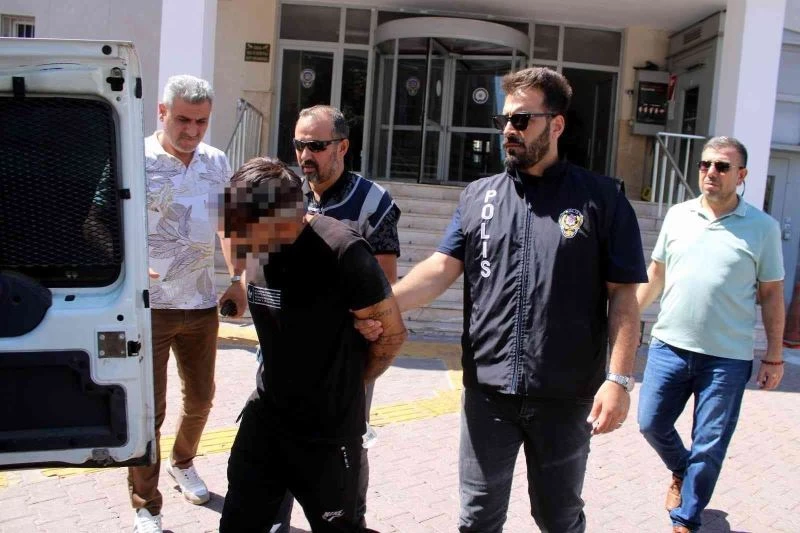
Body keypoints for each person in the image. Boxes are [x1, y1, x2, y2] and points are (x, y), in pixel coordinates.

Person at [358, 66, 647, 532]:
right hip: (487, 392)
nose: (509, 130)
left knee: (557, 517)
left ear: (556, 124)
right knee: (477, 518)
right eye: (504, 120)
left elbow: (624, 298)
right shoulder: (479, 196)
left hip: (566, 394)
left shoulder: (602, 199)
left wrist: (618, 379)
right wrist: (379, 304)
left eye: (522, 119)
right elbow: (440, 269)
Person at [217, 157, 407, 532]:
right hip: (266, 418)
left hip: (328, 434)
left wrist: (348, 380)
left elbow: (392, 334)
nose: (246, 242)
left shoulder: (342, 250)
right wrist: (237, 280)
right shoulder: (251, 237)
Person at [636, 136, 785, 533]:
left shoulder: (763, 228)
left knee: (710, 442)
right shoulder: (677, 216)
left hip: (726, 359)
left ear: (742, 175)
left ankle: (686, 518)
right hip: (668, 347)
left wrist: (774, 355)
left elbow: (772, 295)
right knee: (650, 423)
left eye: (722, 166)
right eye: (705, 165)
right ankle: (681, 468)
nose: (710, 172)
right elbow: (656, 275)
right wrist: (625, 320)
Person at [270, 104, 401, 532]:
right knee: (276, 436)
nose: (305, 155)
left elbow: (383, 280)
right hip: (285, 348)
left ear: (342, 147)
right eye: (299, 145)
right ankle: (275, 522)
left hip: (343, 356)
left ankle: (349, 520)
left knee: (346, 443)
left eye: (316, 146)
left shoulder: (374, 202)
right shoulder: (284, 192)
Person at [131, 75, 246, 533]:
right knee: (149, 411)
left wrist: (237, 279)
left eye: (201, 122)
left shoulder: (216, 161)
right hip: (148, 309)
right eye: (182, 120)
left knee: (201, 399)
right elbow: (98, 222)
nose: (192, 131)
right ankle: (146, 504)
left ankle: (183, 462)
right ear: (162, 113)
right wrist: (131, 266)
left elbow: (231, 226)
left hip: (200, 304)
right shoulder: (135, 157)